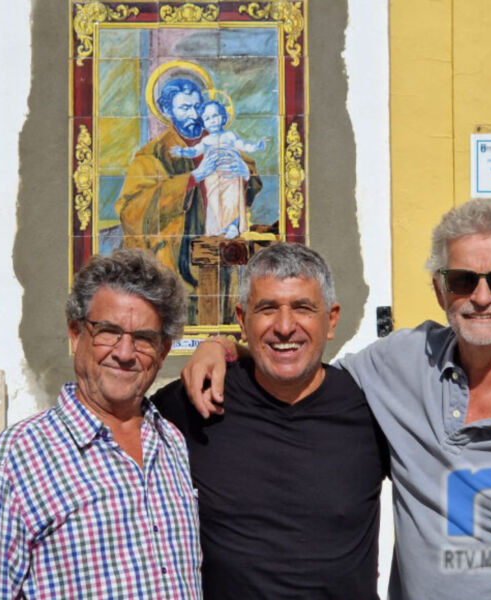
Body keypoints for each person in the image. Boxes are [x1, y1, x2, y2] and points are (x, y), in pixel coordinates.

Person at [184, 199, 491, 598]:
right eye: (463, 280)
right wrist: (223, 347)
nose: (482, 297)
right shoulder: (403, 363)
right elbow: (300, 368)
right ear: (440, 288)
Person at [0, 249, 202, 599]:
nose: (125, 353)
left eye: (143, 338)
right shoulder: (17, 458)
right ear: (75, 334)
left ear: (163, 351)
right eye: (108, 331)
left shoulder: (171, 441)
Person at [154, 242, 389, 599]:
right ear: (241, 320)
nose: (284, 326)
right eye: (266, 309)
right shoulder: (197, 400)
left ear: (332, 320)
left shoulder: (372, 407)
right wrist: (216, 344)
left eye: (303, 308)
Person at [115, 78, 262, 294]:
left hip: (222, 247)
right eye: (184, 108)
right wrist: (192, 178)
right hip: (176, 257)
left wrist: (244, 173)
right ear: (166, 110)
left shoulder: (218, 139)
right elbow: (131, 210)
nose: (194, 115)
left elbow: (252, 180)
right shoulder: (153, 154)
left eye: (196, 106)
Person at [171, 100, 266, 239]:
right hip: (213, 177)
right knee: (214, 202)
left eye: (215, 116)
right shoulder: (206, 141)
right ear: (203, 122)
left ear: (223, 117)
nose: (212, 121)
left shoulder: (230, 136)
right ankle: (217, 228)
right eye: (207, 118)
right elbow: (194, 151)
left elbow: (244, 145)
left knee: (232, 200)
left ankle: (233, 226)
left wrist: (256, 147)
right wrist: (183, 152)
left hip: (231, 175)